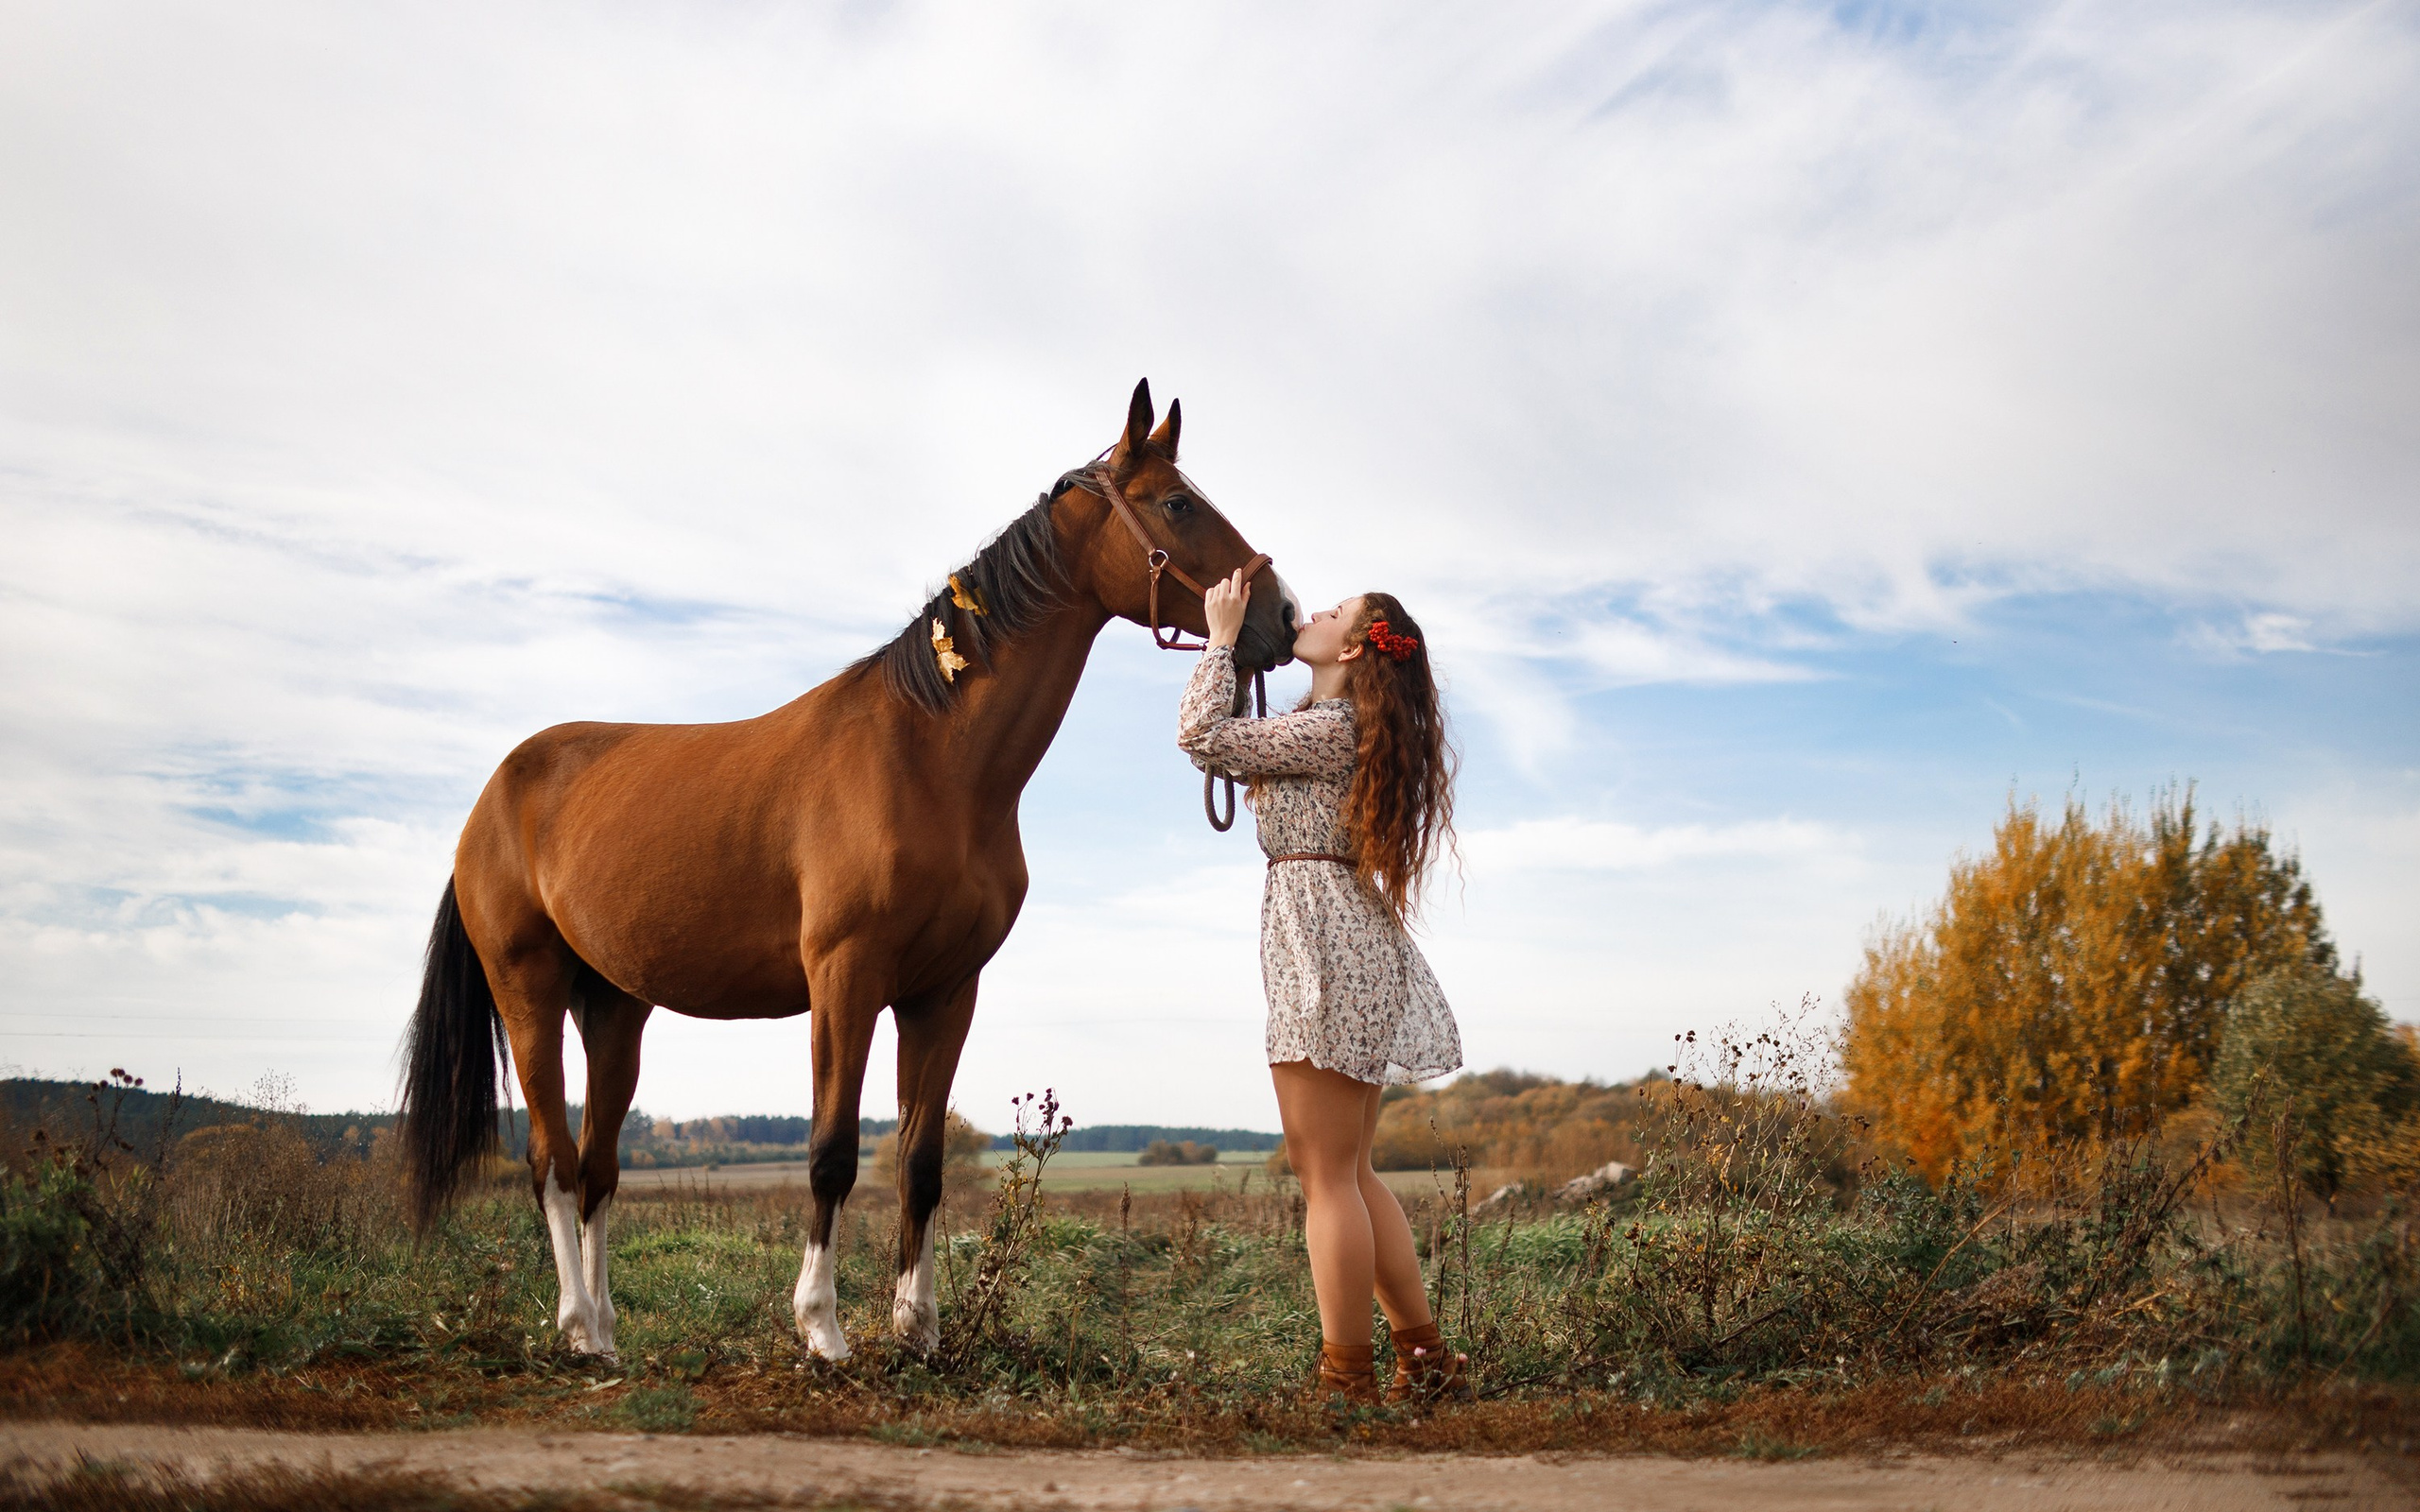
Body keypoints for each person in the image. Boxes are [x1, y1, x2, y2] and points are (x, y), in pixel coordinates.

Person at [1178, 571, 1470, 1405]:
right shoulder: (1324, 723)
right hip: (1342, 946)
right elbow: (1234, 742)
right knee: (1350, 1170)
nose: (1315, 609)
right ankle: (1425, 1360)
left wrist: (1222, 638)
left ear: (1351, 649)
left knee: (1327, 1179)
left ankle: (1347, 1377)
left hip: (1325, 954)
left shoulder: (1332, 726)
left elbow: (1202, 737)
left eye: (1337, 612)